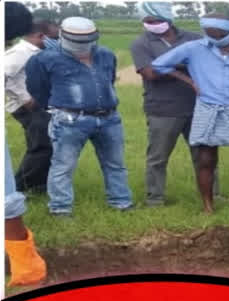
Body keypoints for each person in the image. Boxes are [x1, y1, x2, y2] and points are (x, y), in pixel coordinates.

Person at [152, 13, 229, 213]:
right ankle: (208, 207)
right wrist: (190, 81)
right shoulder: (194, 49)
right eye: (211, 34)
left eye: (220, 34)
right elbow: (160, 64)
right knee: (205, 159)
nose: (216, 38)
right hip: (209, 107)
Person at [25, 16, 134, 217]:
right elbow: (37, 88)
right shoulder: (44, 59)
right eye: (77, 41)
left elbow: (108, 80)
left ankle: (121, 203)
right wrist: (59, 106)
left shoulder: (106, 55)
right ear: (63, 36)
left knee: (115, 164)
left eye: (86, 41)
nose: (82, 46)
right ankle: (60, 209)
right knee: (63, 166)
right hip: (69, 121)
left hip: (109, 119)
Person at [130, 1, 219, 207]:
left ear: (168, 18)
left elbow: (210, 63)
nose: (152, 24)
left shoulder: (193, 38)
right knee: (158, 158)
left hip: (199, 107)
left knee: (205, 155)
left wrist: (166, 64)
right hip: (162, 110)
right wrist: (186, 62)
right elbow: (150, 73)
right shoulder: (141, 43)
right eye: (147, 21)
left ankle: (213, 194)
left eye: (157, 20)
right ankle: (155, 199)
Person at [5, 1, 46, 286]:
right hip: (24, 106)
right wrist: (24, 99)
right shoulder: (18, 54)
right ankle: (27, 272)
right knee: (7, 198)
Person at [5, 18, 58, 193]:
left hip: (39, 104)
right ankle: (19, 187)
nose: (56, 42)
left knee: (46, 145)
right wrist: (25, 99)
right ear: (39, 36)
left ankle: (38, 185)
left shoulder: (34, 51)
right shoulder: (21, 52)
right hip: (28, 107)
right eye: (53, 37)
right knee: (41, 147)